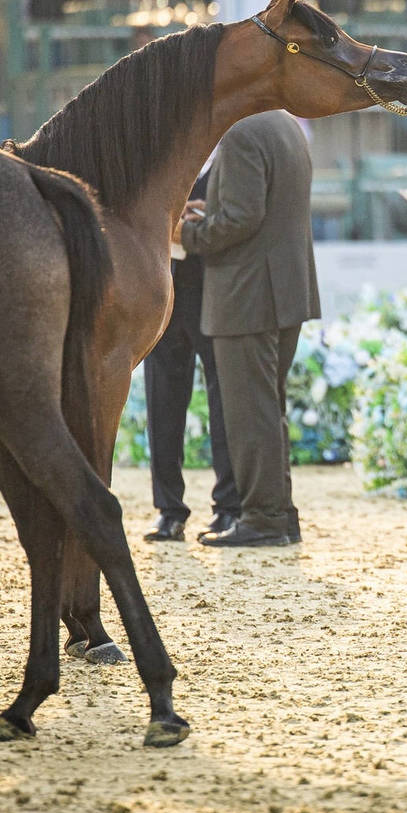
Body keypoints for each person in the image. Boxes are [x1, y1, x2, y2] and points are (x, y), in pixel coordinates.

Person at [178, 110, 320, 548]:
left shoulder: (240, 131)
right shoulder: (283, 123)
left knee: (251, 415)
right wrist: (212, 212)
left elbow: (242, 218)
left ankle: (263, 518)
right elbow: (261, 206)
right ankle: (279, 513)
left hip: (248, 294)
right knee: (267, 409)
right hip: (282, 289)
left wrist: (186, 234)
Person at [143, 165, 243, 544]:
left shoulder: (231, 149)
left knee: (223, 399)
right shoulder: (161, 152)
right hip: (162, 289)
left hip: (213, 288)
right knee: (162, 402)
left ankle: (228, 507)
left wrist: (204, 216)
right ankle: (169, 510)